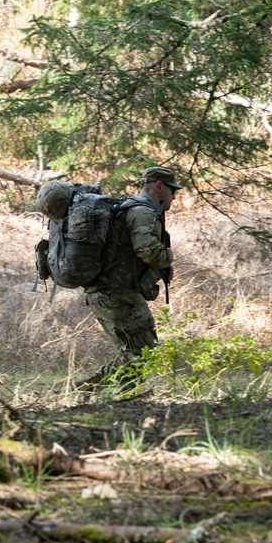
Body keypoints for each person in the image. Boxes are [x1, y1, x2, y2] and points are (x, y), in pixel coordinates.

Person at [80, 166, 181, 389]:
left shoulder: (129, 208)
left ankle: (97, 392)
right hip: (117, 293)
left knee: (140, 354)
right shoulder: (143, 212)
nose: (174, 195)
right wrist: (168, 258)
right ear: (159, 186)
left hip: (112, 292)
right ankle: (92, 392)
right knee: (142, 355)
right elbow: (149, 251)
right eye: (172, 189)